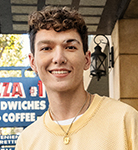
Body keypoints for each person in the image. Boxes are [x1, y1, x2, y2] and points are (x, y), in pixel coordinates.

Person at [15, 6, 138, 150]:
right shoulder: (27, 141)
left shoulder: (126, 121)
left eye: (70, 47)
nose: (59, 58)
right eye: (47, 48)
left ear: (87, 60)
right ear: (32, 62)